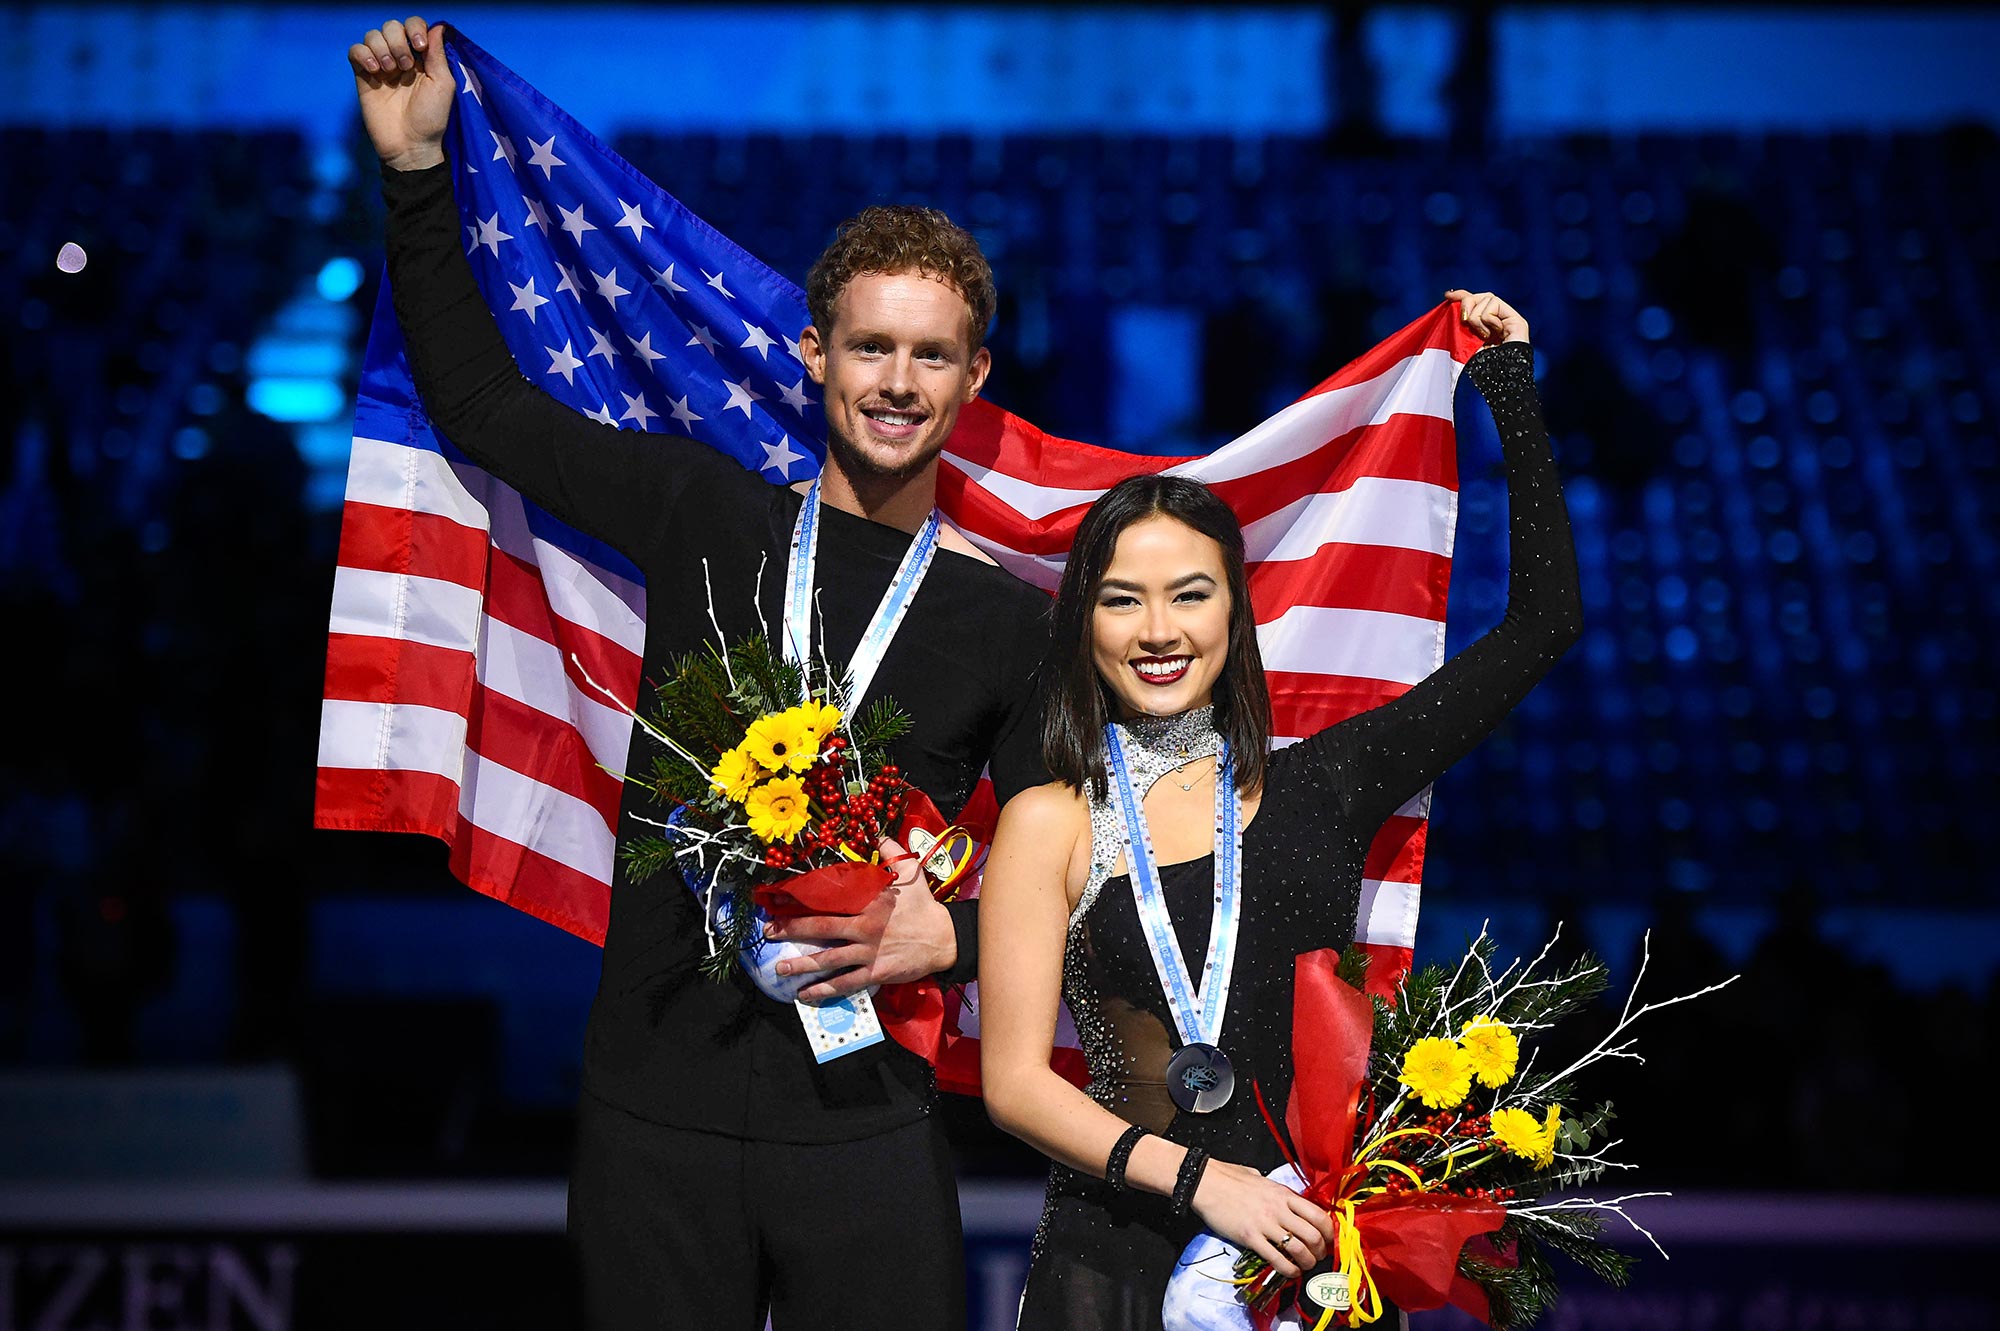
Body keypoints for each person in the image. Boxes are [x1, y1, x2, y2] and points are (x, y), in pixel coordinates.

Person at [348, 18, 1051, 1330]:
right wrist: (414, 169)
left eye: (930, 354)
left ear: (974, 377)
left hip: (865, 1123)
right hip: (651, 1113)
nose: (897, 382)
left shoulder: (1004, 622)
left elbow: (1084, 864)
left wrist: (951, 937)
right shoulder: (705, 513)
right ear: (814, 353)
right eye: (870, 346)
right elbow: (485, 408)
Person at [977, 295, 1581, 1329]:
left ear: (1236, 609)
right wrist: (1205, 1183)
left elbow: (1542, 623)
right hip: (1108, 1258)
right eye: (1121, 598)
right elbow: (1015, 1084)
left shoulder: (1328, 781)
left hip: (1303, 1255)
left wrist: (1507, 389)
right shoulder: (1050, 818)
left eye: (1190, 593)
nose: (1157, 629)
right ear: (1084, 621)